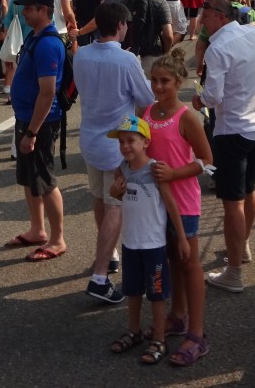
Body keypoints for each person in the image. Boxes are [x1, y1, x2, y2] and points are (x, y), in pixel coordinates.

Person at [73, 0, 155, 304]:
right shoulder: (127, 60)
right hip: (116, 144)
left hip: (90, 138)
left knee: (100, 199)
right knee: (115, 206)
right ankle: (99, 276)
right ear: (120, 26)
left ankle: (108, 257)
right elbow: (146, 100)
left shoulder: (81, 55)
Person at [194, 0, 255, 294]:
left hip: (233, 131)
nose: (202, 22)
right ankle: (243, 247)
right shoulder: (253, 32)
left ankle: (234, 272)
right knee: (249, 190)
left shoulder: (218, 48)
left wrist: (199, 99)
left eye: (205, 17)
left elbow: (213, 97)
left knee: (233, 202)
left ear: (220, 16)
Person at [144, 51, 214, 367]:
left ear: (178, 82)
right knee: (172, 258)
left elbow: (207, 160)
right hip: (155, 205)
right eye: (154, 80)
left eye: (164, 81)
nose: (158, 87)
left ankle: (197, 334)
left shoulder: (187, 117)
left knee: (189, 263)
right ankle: (178, 316)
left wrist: (174, 174)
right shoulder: (147, 113)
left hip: (183, 203)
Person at [106, 115, 189, 366]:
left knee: (156, 294)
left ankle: (160, 339)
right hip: (130, 242)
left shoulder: (155, 169)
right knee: (132, 290)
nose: (125, 146)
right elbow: (116, 194)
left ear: (145, 142)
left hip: (153, 244)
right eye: (121, 142)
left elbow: (171, 204)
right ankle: (134, 330)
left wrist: (183, 237)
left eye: (131, 140)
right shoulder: (122, 168)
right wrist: (114, 192)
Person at [5, 0, 68, 260]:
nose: (23, 12)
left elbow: (48, 92)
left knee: (45, 180)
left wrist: (32, 131)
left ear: (43, 10)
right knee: (30, 178)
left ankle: (57, 239)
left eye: (28, 8)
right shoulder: (35, 36)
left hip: (39, 122)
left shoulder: (48, 44)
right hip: (27, 118)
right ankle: (37, 229)